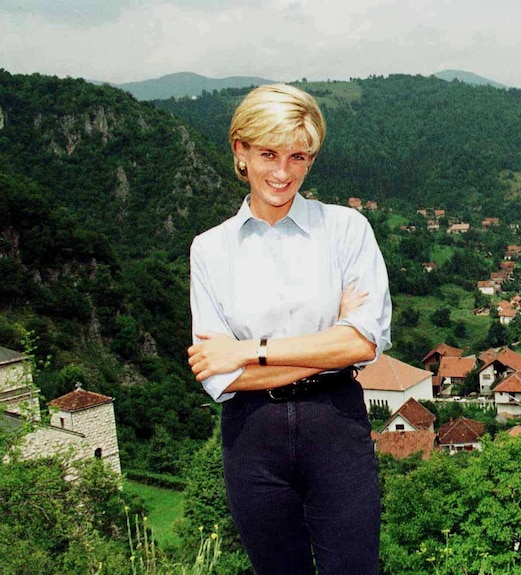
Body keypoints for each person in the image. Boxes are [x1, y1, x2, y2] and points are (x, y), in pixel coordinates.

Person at [187, 83, 391, 575]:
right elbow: (220, 377)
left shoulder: (346, 229)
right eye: (268, 153)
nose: (283, 172)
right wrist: (330, 346)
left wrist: (248, 351)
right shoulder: (210, 250)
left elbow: (364, 341)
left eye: (298, 156)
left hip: (336, 425)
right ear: (241, 150)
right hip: (252, 440)